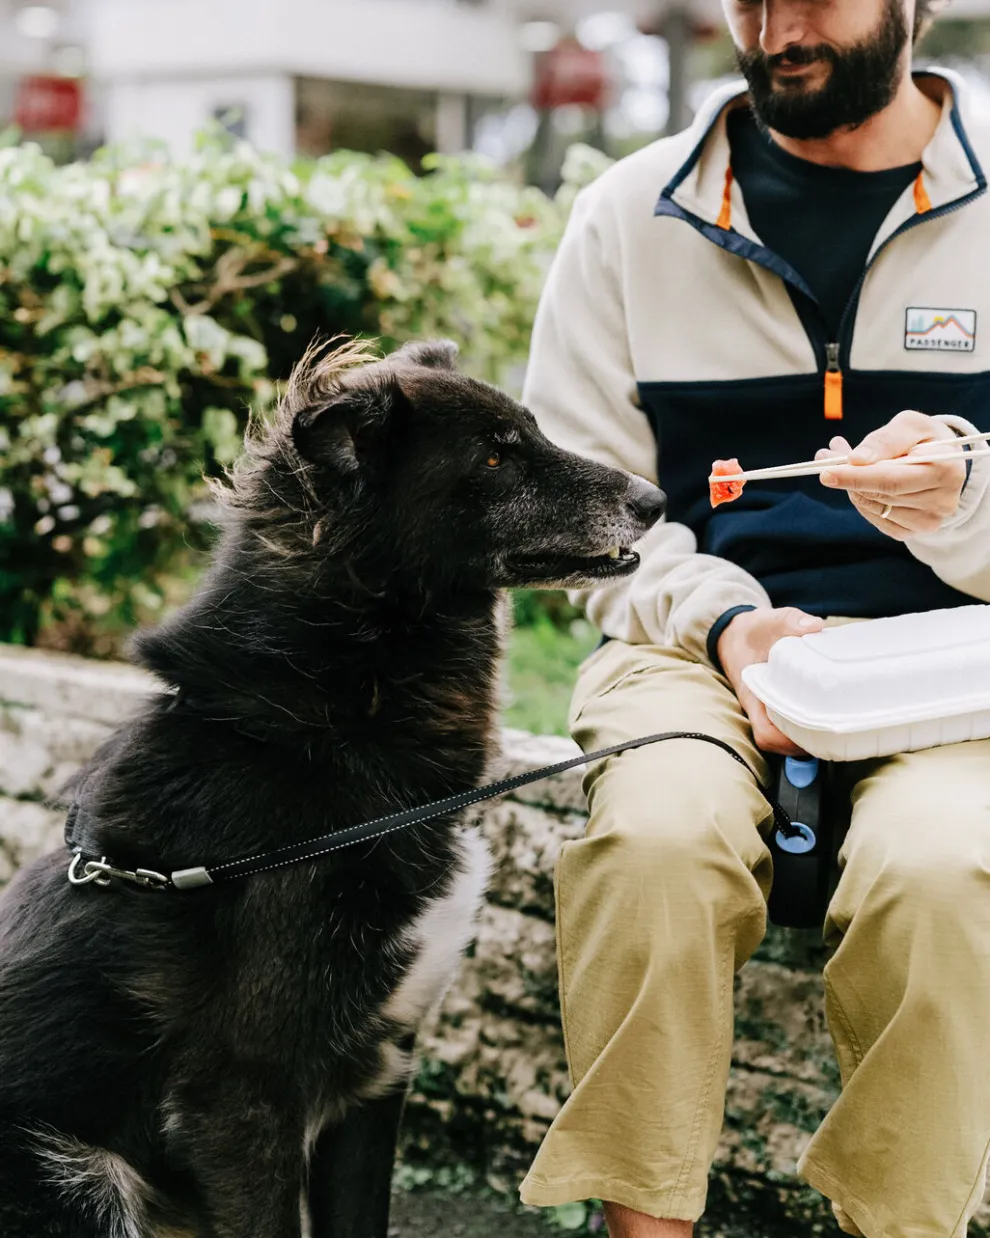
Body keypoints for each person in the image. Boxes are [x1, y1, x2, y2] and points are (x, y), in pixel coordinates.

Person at [519, 2, 990, 1236]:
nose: (776, 27)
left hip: (957, 661)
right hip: (689, 646)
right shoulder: (627, 216)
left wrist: (966, 499)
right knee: (656, 840)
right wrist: (731, 623)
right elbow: (582, 519)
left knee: (946, 872)